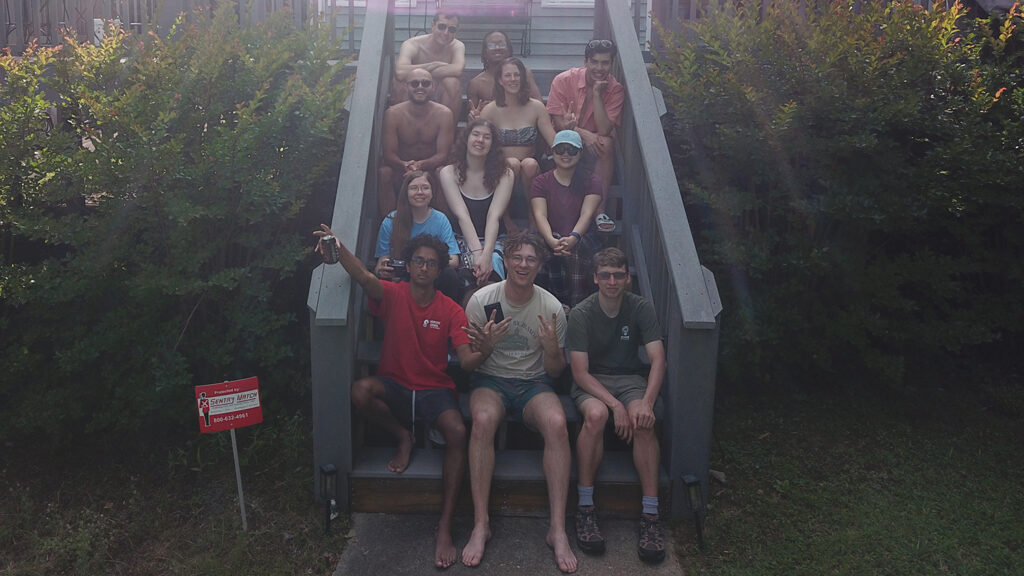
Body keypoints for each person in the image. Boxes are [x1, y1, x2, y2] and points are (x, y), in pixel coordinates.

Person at [312, 228, 481, 569]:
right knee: (360, 390)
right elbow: (361, 274)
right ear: (410, 265)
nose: (423, 267)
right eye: (418, 260)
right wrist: (339, 248)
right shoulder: (392, 293)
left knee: (458, 432)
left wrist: (485, 350)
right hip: (397, 386)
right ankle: (403, 436)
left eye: (431, 263)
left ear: (438, 270)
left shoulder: (450, 309)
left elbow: (465, 360)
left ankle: (445, 527)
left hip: (435, 390)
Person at [460, 231, 578, 574]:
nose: (523, 264)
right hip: (490, 380)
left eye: (531, 259)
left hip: (533, 383)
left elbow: (555, 372)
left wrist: (553, 351)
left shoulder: (551, 307)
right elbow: (470, 362)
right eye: (517, 257)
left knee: (557, 424)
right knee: (482, 420)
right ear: (506, 260)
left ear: (540, 265)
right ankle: (481, 524)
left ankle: (557, 528)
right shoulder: (482, 301)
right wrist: (486, 347)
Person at [568, 247, 667, 563]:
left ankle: (651, 515)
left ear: (627, 278)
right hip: (593, 381)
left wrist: (646, 403)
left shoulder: (640, 308)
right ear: (595, 278)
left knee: (643, 420)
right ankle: (585, 507)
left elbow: (658, 359)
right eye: (606, 275)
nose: (612, 281)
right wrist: (614, 407)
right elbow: (580, 372)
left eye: (619, 275)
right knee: (595, 416)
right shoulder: (582, 313)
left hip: (629, 380)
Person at [546, 39, 624, 226]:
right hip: (560, 138)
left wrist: (597, 94)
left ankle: (599, 211)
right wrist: (583, 134)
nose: (599, 67)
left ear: (611, 64)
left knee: (606, 143)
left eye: (605, 62)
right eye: (594, 62)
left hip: (593, 148)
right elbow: (558, 122)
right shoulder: (564, 80)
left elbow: (605, 129)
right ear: (586, 62)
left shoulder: (615, 89)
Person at [438, 119, 514, 297]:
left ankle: (494, 318)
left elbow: (494, 216)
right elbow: (462, 215)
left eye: (487, 137)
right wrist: (477, 253)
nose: (480, 140)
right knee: (468, 266)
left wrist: (486, 254)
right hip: (461, 237)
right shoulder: (448, 173)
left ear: (493, 145)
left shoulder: (505, 173)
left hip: (495, 238)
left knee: (494, 262)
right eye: (476, 135)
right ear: (466, 139)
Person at [530, 130, 603, 308]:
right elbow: (540, 214)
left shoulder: (592, 180)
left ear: (580, 153)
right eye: (560, 149)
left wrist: (573, 237)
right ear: (552, 152)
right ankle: (550, 307)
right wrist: (551, 240)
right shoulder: (540, 182)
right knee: (539, 251)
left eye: (572, 150)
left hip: (582, 235)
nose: (565, 154)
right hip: (550, 235)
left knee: (577, 252)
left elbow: (587, 213)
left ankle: (577, 307)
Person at [481, 57, 556, 219]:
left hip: (531, 169)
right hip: (500, 168)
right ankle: (505, 219)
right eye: (508, 75)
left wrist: (568, 132)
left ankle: (534, 217)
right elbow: (479, 143)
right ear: (500, 80)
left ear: (523, 78)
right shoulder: (490, 110)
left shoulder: (536, 107)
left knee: (529, 164)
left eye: (517, 75)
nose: (513, 79)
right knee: (512, 164)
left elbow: (553, 141)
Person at [379, 68, 455, 219]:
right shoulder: (393, 114)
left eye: (425, 83)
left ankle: (445, 226)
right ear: (406, 87)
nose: (420, 87)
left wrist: (420, 166)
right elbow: (389, 154)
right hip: (401, 170)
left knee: (443, 172)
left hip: (431, 170)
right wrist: (405, 165)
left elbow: (443, 154)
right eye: (414, 83)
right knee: (384, 173)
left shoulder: (444, 114)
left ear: (433, 87)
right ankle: (389, 224)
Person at [376, 170, 461, 301]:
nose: (420, 192)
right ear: (406, 193)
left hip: (433, 277)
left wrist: (427, 264)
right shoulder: (390, 221)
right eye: (414, 188)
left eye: (425, 188)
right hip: (404, 277)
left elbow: (454, 260)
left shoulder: (441, 219)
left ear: (432, 193)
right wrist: (382, 269)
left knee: (450, 275)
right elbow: (381, 261)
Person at [393, 11, 466, 121]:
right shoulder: (412, 44)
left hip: (440, 93)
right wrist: (434, 64)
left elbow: (458, 69)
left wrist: (418, 71)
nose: (446, 33)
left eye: (451, 29)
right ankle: (403, 127)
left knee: (452, 83)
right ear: (432, 26)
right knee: (398, 82)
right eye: (441, 27)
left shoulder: (457, 46)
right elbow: (400, 72)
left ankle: (448, 132)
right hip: (415, 91)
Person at [466, 30, 541, 115]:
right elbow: (472, 119)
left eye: (502, 44)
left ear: (509, 49)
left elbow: (539, 107)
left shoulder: (525, 74)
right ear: (485, 52)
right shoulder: (476, 84)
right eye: (491, 45)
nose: (497, 48)